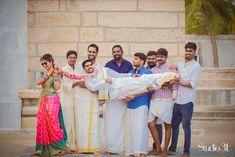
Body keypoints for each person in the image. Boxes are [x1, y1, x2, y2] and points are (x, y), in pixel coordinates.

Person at [168, 42, 202, 157]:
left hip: (188, 102)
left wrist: (178, 82)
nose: (188, 52)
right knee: (174, 125)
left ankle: (186, 151)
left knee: (186, 126)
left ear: (194, 52)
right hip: (177, 100)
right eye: (186, 50)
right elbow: (175, 70)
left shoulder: (196, 67)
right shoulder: (181, 64)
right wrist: (173, 67)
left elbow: (191, 84)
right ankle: (172, 149)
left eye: (190, 51)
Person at [33, 53, 67, 157]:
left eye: (46, 63)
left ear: (51, 61)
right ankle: (42, 149)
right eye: (42, 64)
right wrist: (48, 74)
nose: (44, 65)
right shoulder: (43, 73)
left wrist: (57, 76)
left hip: (52, 99)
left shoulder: (57, 72)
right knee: (42, 124)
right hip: (43, 100)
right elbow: (38, 82)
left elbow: (56, 88)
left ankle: (58, 147)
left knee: (53, 122)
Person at [147, 48, 178, 157]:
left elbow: (175, 84)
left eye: (162, 57)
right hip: (154, 99)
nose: (159, 59)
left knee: (167, 125)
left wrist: (169, 84)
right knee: (151, 123)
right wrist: (151, 87)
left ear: (166, 57)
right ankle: (158, 148)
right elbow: (150, 83)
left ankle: (165, 150)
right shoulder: (153, 70)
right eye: (158, 56)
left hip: (166, 99)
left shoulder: (170, 69)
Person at [104, 45, 133, 155]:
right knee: (112, 123)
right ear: (112, 53)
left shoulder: (128, 64)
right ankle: (112, 147)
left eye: (118, 51)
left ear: (122, 52)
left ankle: (123, 147)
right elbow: (106, 82)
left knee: (123, 123)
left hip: (124, 99)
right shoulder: (108, 65)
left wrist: (128, 96)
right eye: (114, 52)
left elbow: (130, 81)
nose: (116, 53)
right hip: (112, 99)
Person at [74, 44, 102, 155]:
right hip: (82, 98)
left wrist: (95, 88)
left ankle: (94, 147)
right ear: (87, 51)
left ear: (97, 53)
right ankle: (82, 147)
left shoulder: (99, 67)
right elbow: (77, 81)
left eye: (93, 52)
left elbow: (101, 82)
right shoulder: (80, 65)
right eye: (89, 51)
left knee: (93, 122)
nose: (91, 54)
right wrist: (89, 85)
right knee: (82, 122)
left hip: (93, 98)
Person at [125, 53, 152, 157]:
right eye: (134, 58)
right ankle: (132, 151)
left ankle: (140, 151)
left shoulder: (147, 73)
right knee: (131, 128)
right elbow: (126, 87)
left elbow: (148, 90)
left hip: (141, 103)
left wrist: (134, 96)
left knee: (140, 128)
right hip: (129, 104)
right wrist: (125, 97)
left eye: (136, 59)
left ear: (142, 61)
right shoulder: (130, 73)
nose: (133, 60)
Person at [60, 50, 82, 152]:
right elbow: (64, 87)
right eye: (70, 57)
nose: (72, 59)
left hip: (77, 100)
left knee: (77, 122)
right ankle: (68, 145)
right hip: (67, 100)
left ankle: (76, 144)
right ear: (67, 58)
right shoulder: (63, 70)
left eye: (74, 57)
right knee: (68, 122)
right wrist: (76, 84)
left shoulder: (78, 69)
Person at [146, 50, 163, 150]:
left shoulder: (159, 71)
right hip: (146, 100)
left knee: (157, 125)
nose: (151, 60)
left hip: (157, 100)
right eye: (149, 58)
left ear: (156, 59)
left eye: (153, 58)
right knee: (149, 124)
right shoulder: (144, 70)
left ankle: (156, 147)